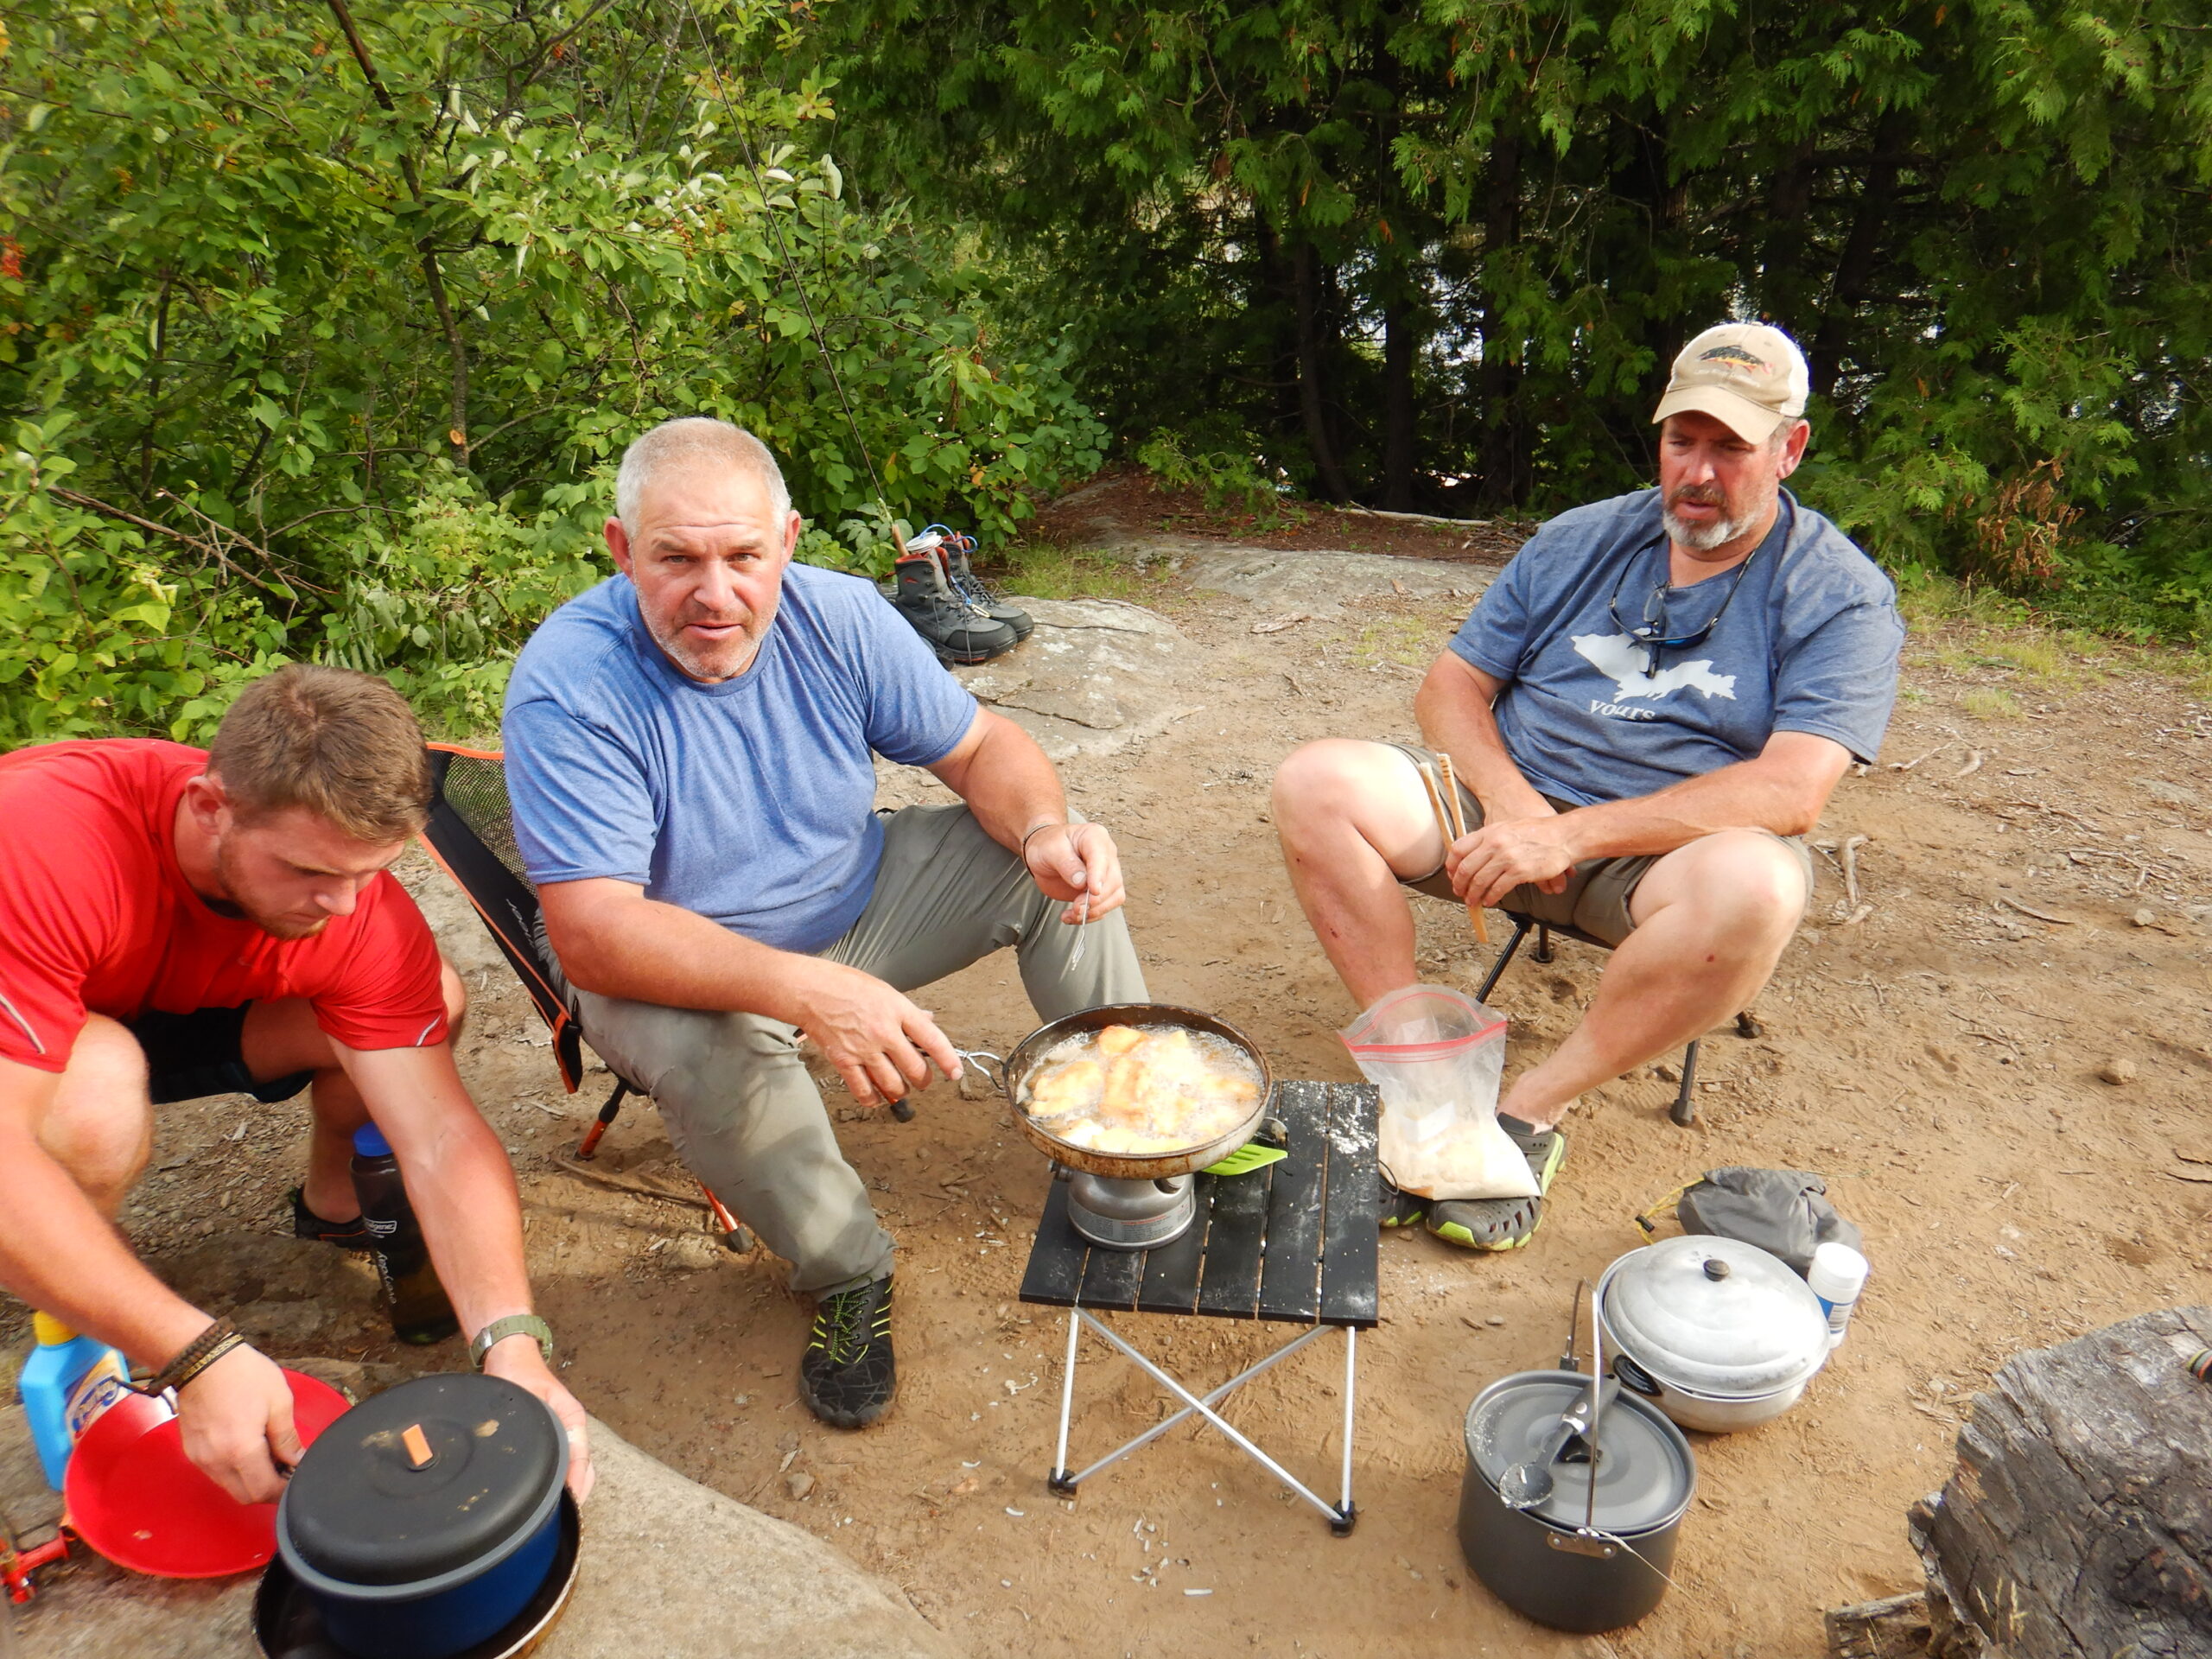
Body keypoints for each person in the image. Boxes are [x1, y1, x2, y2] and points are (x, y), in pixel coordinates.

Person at [503, 416, 1144, 1430]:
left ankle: (1133, 1115)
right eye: (676, 559)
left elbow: (982, 749)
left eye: (743, 557)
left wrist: (1043, 829)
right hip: (664, 955)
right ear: (623, 551)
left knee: (1044, 878)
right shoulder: (571, 685)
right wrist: (807, 991)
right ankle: (846, 1274)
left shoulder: (839, 616)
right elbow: (593, 932)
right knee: (714, 1049)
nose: (715, 595)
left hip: (854, 893)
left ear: (788, 542)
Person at [1272, 321, 1904, 1252]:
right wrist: (1520, 808)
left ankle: (1526, 1115)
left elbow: (1791, 791)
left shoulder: (1838, 594)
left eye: (1729, 447)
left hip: (1660, 861)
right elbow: (1451, 686)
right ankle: (1419, 1085)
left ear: (1788, 448)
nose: (1697, 472)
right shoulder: (1582, 538)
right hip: (1503, 815)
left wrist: (1571, 839)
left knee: (1762, 884)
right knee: (1315, 781)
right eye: (1681, 440)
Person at [0, 665, 592, 1501]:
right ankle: (82, 1319)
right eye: (310, 871)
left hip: (166, 997)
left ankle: (331, 1204)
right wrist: (193, 1351)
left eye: (369, 872)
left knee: (431, 1001)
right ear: (211, 807)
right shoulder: (44, 843)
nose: (343, 906)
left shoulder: (350, 905)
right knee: (94, 1098)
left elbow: (439, 1135)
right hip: (39, 1015)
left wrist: (512, 1346)